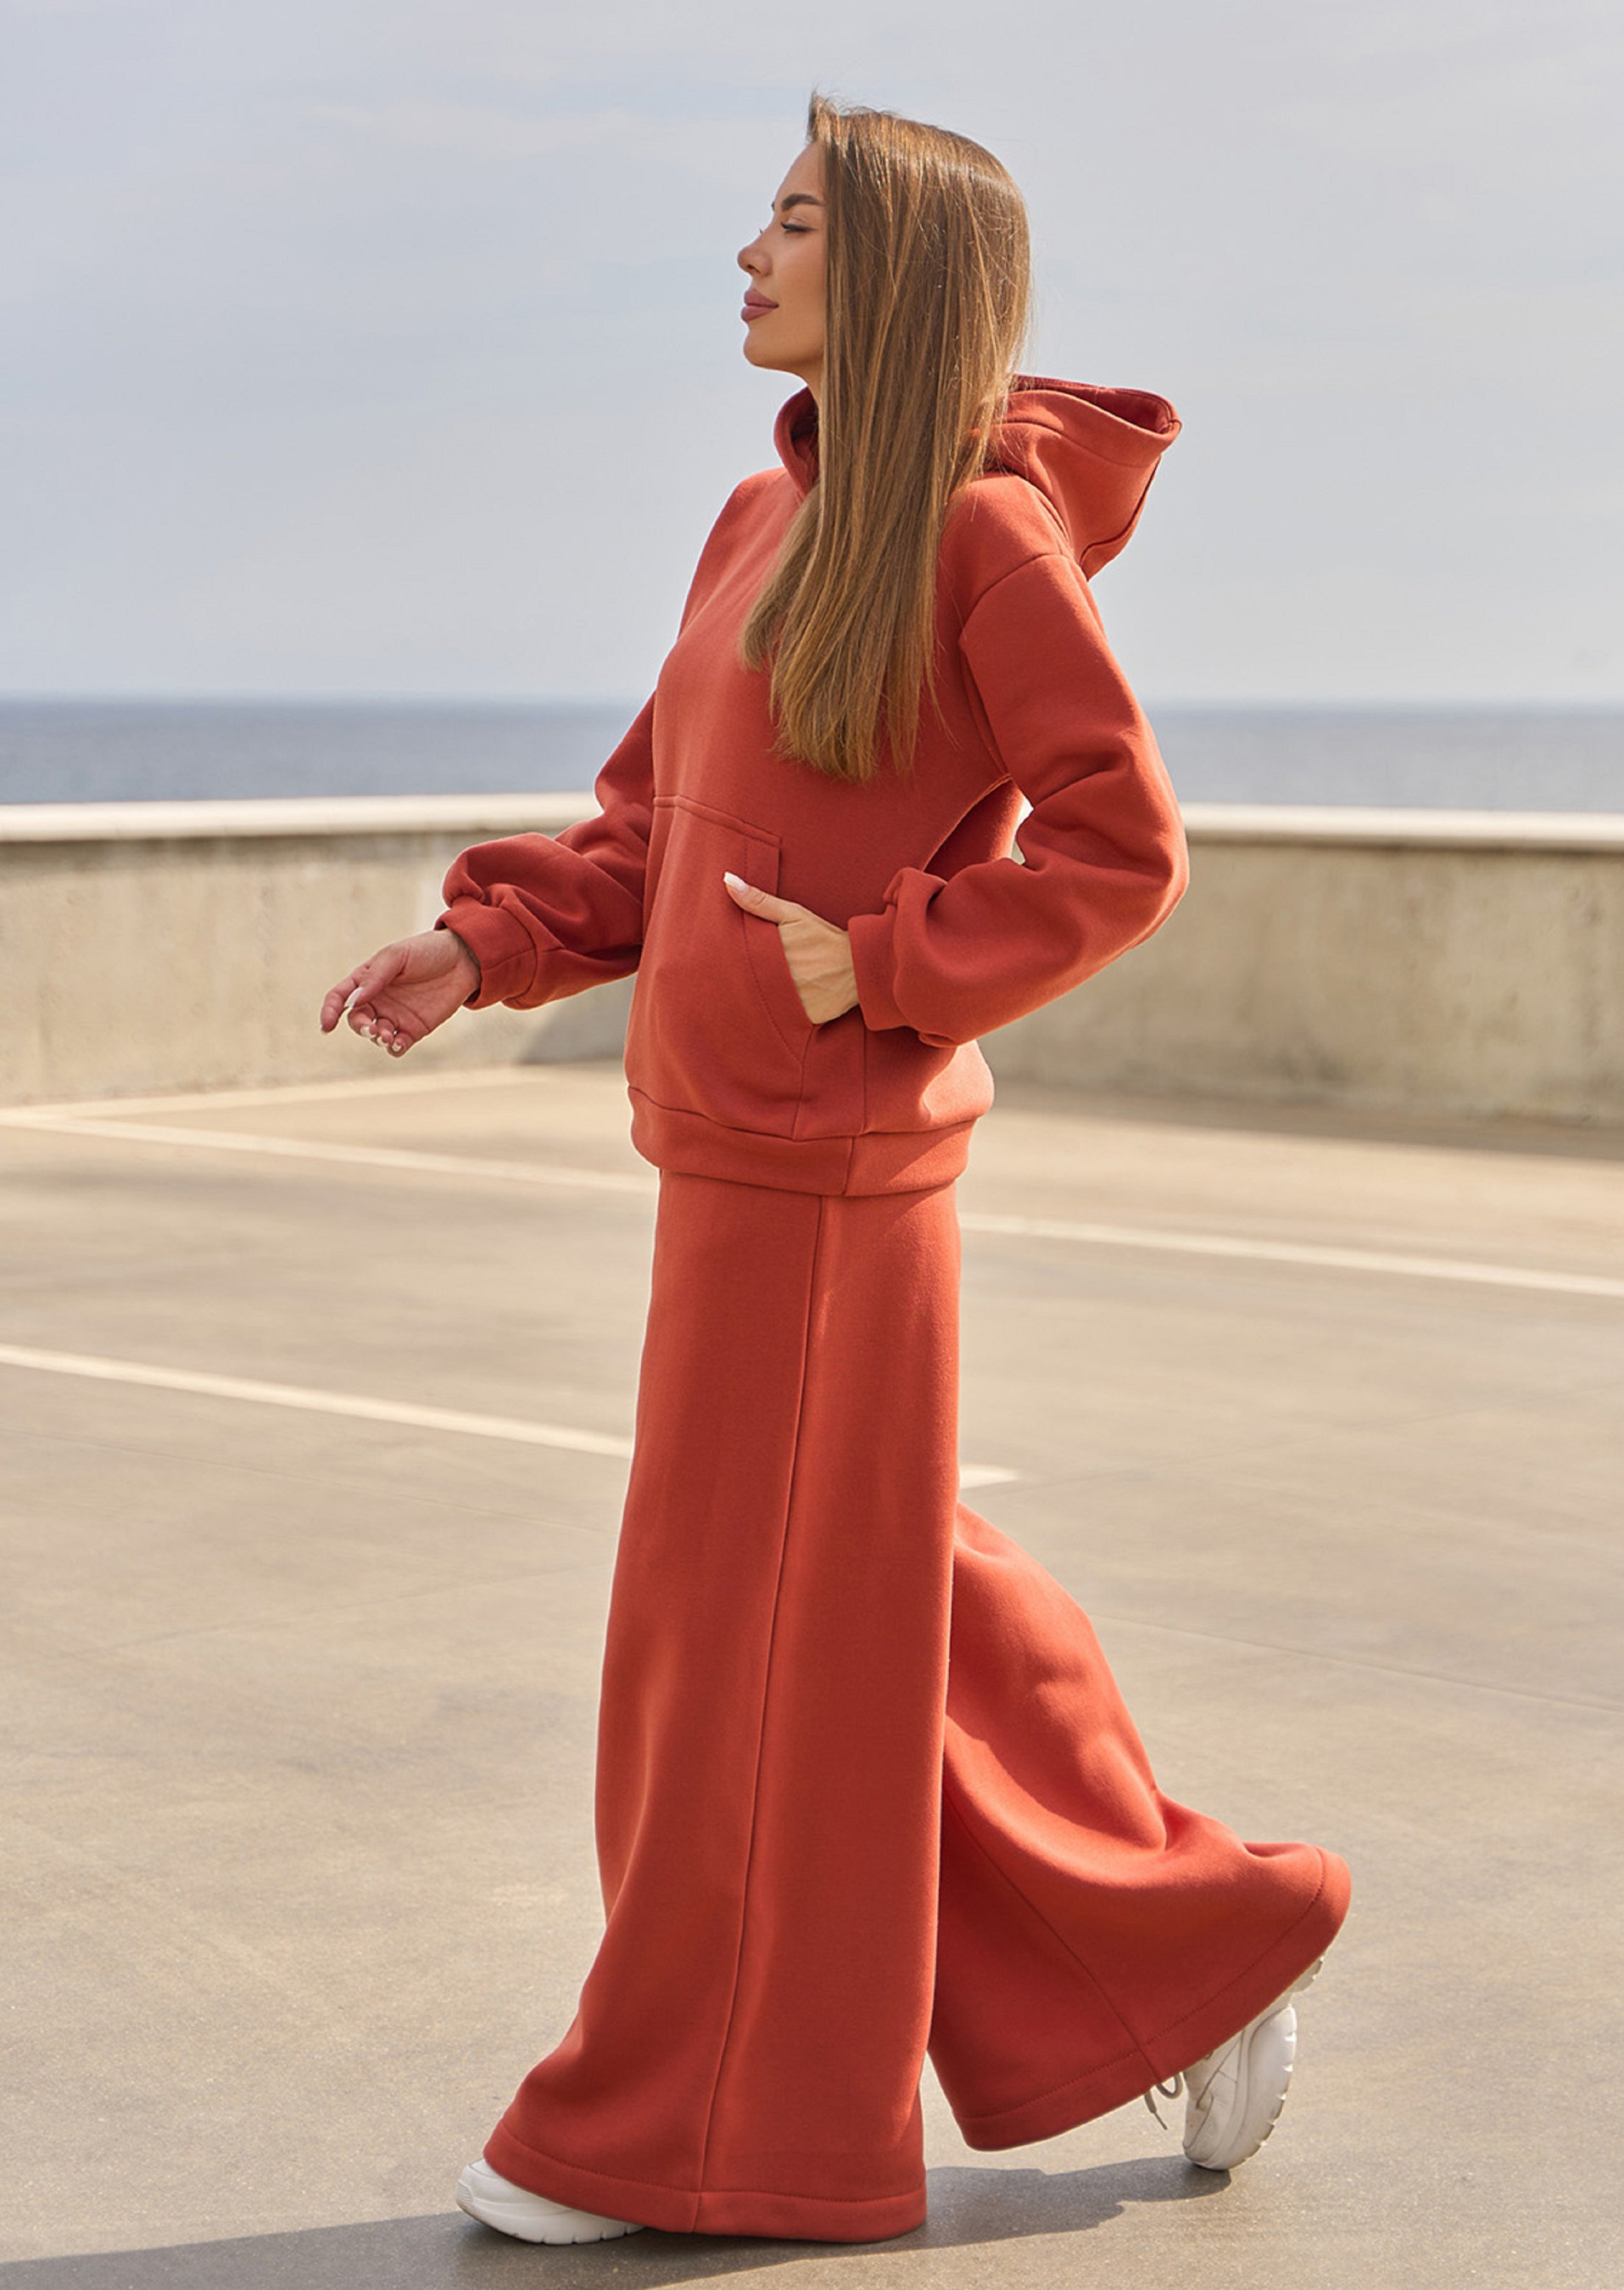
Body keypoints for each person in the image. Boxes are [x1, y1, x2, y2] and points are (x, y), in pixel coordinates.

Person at [319, 89, 1349, 2249]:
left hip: (830, 1176)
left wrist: (887, 962)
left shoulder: (983, 541)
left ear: (892, 275)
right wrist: (489, 942)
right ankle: (1200, 1946)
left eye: (790, 223)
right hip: (720, 1157)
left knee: (733, 1662)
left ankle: (688, 2129)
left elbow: (1119, 844)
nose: (747, 254)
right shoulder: (756, 518)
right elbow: (650, 822)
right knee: (867, 1606)